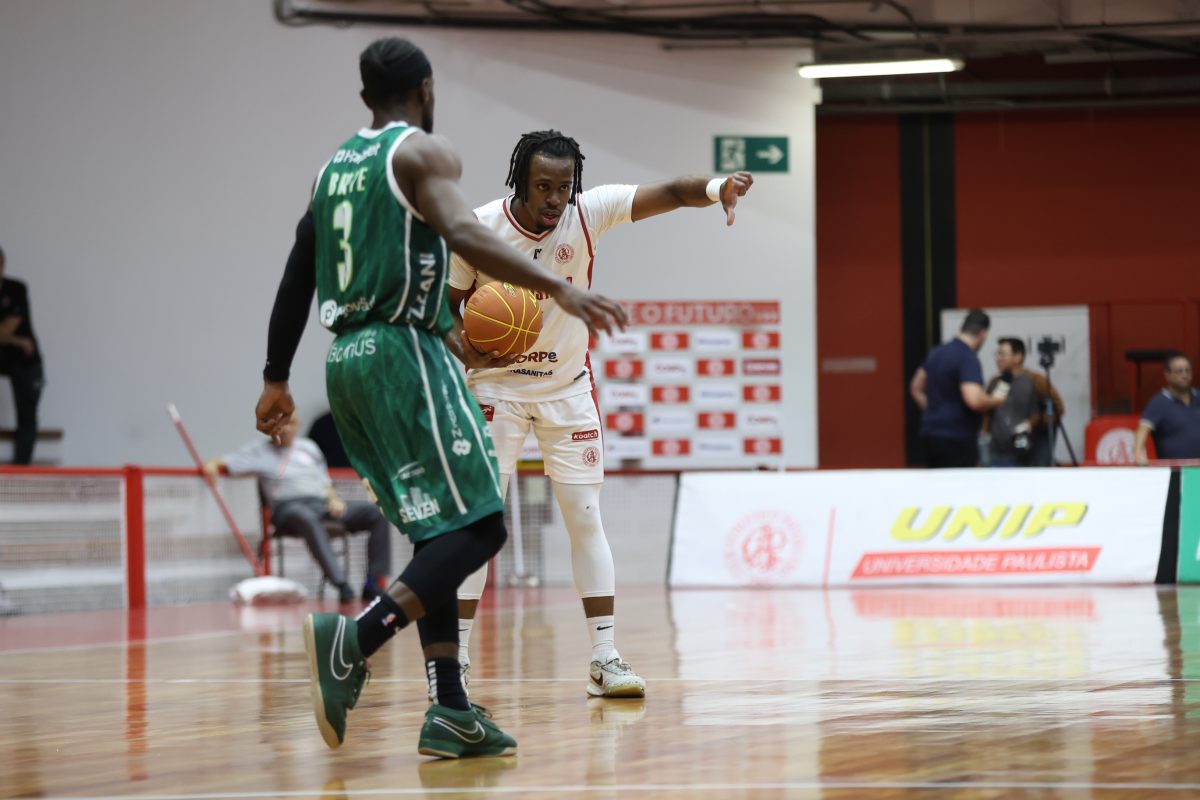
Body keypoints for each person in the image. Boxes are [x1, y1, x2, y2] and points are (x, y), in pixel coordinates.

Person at [252, 38, 627, 758]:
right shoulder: (422, 152)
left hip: (344, 360)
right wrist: (559, 288)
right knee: (481, 526)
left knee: (437, 534)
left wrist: (275, 376)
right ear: (425, 88)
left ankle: (449, 708)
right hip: (403, 350)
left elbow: (300, 268)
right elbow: (461, 231)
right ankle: (355, 641)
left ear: (365, 95)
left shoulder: (332, 168)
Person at [446, 130, 752, 699]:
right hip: (494, 390)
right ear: (520, 181)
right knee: (478, 526)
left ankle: (604, 658)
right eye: (543, 186)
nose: (554, 198)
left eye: (564, 186)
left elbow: (671, 192)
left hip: (567, 390)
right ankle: (455, 664)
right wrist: (469, 350)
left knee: (586, 517)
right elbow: (443, 316)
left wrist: (717, 188)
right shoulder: (479, 228)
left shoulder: (587, 214)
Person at [204, 414, 390, 603]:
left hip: (321, 505)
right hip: (287, 510)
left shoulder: (309, 448)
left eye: (290, 423)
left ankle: (372, 583)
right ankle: (341, 584)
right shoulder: (258, 451)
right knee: (305, 517)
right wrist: (213, 464)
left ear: (298, 424)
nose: (285, 429)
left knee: (375, 514)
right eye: (279, 424)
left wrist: (334, 499)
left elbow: (324, 482)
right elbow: (225, 461)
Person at [909, 309, 1005, 468]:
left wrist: (934, 410)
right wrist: (996, 400)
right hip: (957, 437)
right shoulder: (967, 357)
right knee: (959, 483)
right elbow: (974, 400)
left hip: (930, 434)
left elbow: (916, 388)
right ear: (983, 334)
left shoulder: (936, 352)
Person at [0, 246, 45, 465]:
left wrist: (10, 338)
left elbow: (7, 328)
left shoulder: (16, 289)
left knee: (27, 414)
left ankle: (21, 469)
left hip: (24, 360)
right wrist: (17, 340)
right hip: (8, 353)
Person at [983, 338, 1040, 467]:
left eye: (1002, 354)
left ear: (1018, 357)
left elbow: (1038, 413)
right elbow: (986, 415)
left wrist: (1029, 424)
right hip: (995, 454)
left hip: (1021, 454)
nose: (998, 358)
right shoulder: (995, 382)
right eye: (997, 354)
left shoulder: (1033, 381)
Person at [1135, 352, 1200, 464]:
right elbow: (1143, 430)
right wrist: (1138, 454)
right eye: (1179, 371)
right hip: (1173, 469)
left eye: (1188, 370)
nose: (1185, 375)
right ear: (1167, 375)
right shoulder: (1159, 402)